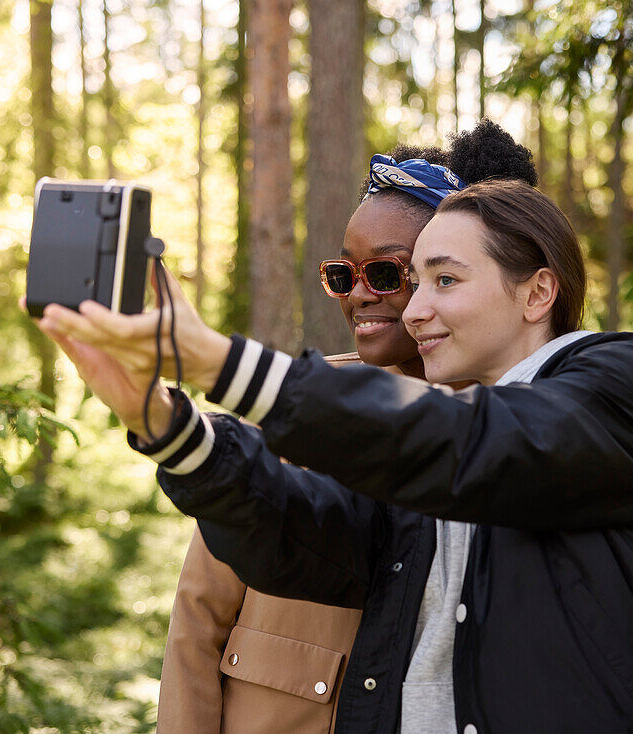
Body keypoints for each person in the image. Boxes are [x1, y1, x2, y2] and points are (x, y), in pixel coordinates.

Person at [34, 178, 633, 733]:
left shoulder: (621, 384)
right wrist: (162, 421)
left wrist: (217, 358)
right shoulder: (438, 453)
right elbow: (301, 535)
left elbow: (479, 444)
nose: (414, 310)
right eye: (414, 281)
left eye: (443, 281)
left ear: (537, 293)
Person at [156, 123, 538, 734]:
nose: (360, 294)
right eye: (344, 273)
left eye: (387, 273)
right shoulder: (290, 408)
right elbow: (198, 619)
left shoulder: (511, 433)